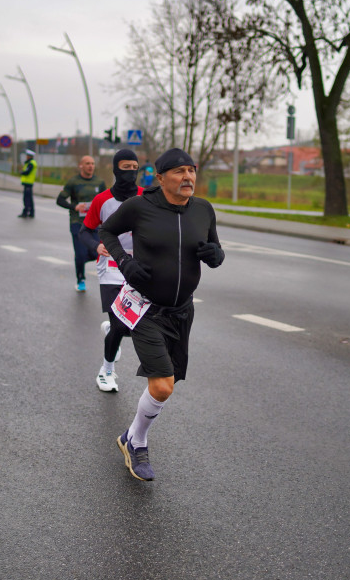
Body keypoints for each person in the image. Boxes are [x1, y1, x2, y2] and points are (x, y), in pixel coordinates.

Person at [99, 148, 224, 481]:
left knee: (168, 383)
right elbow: (107, 232)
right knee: (163, 385)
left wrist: (216, 255)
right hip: (145, 309)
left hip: (182, 311)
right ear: (162, 176)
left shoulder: (203, 209)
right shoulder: (140, 207)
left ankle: (129, 437)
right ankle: (136, 441)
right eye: (180, 171)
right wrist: (124, 262)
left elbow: (214, 249)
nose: (188, 177)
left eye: (192, 171)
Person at [80, 149, 143, 392]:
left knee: (132, 326)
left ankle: (111, 331)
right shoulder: (102, 200)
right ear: (116, 170)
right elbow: (84, 231)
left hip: (138, 267)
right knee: (119, 325)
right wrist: (97, 246)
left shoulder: (147, 197)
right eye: (125, 168)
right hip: (111, 267)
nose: (131, 173)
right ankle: (106, 370)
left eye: (134, 168)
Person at [56, 155, 106, 292]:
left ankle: (80, 257)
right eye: (88, 163)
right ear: (81, 165)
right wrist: (75, 207)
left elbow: (105, 201)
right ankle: (80, 279)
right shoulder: (73, 182)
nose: (91, 166)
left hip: (95, 224)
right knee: (80, 253)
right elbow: (60, 200)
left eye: (93, 163)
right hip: (77, 223)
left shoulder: (99, 182)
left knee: (98, 253)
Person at [18, 149, 37, 218]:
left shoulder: (31, 163)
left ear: (30, 156)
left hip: (28, 183)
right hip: (28, 183)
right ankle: (31, 213)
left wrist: (21, 172)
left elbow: (27, 172)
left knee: (26, 199)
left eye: (27, 156)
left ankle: (25, 212)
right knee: (30, 199)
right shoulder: (30, 163)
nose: (26, 157)